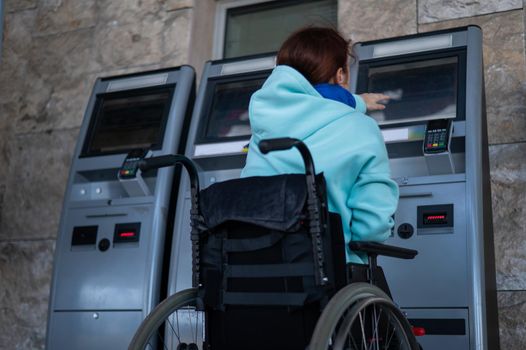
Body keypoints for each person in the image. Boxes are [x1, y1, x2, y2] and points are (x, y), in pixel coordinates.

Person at [240, 27, 399, 264]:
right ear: (340, 75)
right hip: (329, 274)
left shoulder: (262, 131)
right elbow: (371, 228)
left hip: (258, 270)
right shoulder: (361, 128)